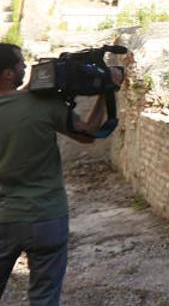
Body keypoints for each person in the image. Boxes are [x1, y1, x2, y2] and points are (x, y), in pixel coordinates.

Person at [1, 43, 123, 306]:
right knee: (44, 297)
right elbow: (89, 134)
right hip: (47, 217)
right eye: (21, 64)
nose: (27, 68)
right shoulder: (43, 104)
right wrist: (105, 91)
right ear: (9, 73)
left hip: (4, 217)